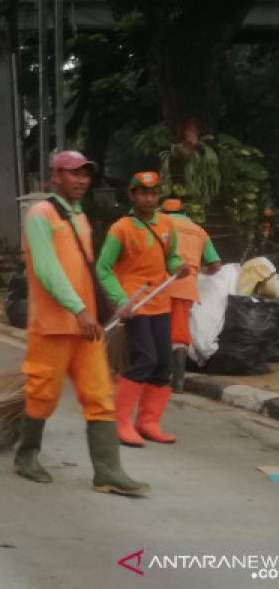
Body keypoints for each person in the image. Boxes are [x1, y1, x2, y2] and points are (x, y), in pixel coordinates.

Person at [15, 151, 149, 496]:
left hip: (86, 326)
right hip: (54, 325)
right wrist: (78, 309)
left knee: (99, 395)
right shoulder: (40, 215)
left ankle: (108, 471)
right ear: (56, 175)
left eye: (86, 174)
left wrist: (115, 304)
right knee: (42, 392)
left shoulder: (79, 217)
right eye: (74, 174)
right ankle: (26, 455)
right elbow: (47, 270)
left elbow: (89, 270)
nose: (82, 180)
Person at [97, 171, 190, 447]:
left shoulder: (167, 224)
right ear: (132, 195)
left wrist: (178, 267)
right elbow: (103, 268)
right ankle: (120, 421)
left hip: (161, 303)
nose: (149, 198)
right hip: (135, 305)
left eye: (153, 193)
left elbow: (171, 256)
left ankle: (148, 422)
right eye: (143, 193)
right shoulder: (120, 228)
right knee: (144, 359)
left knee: (163, 364)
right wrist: (119, 300)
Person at [161, 198, 221, 393]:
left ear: (163, 210)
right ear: (184, 211)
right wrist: (199, 270)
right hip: (186, 287)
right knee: (179, 332)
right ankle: (178, 381)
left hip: (158, 286)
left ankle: (156, 378)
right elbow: (215, 265)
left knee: (154, 328)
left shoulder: (159, 224)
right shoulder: (199, 231)